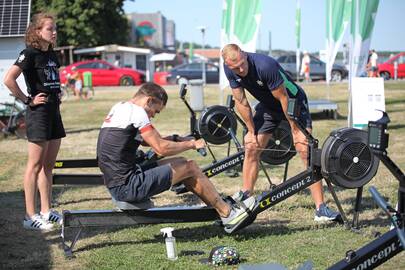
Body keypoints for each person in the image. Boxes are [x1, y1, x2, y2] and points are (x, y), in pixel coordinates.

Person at [96, 82, 256, 232]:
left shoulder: (121, 107)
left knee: (181, 163)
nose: (153, 116)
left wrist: (177, 139)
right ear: (149, 101)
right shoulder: (138, 112)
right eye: (155, 111)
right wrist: (192, 145)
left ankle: (220, 208)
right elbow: (161, 148)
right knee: (190, 167)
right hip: (127, 187)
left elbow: (146, 141)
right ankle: (228, 213)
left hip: (118, 182)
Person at [222, 44, 340, 222]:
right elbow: (241, 101)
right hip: (269, 107)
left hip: (293, 102)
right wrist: (251, 132)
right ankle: (246, 197)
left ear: (244, 55)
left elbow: (284, 98)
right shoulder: (229, 68)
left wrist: (294, 129)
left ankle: (321, 209)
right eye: (235, 68)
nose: (240, 69)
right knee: (251, 148)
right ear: (227, 64)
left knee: (305, 151)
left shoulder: (264, 65)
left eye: (242, 64)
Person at [3, 13, 66, 230]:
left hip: (53, 112)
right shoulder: (28, 54)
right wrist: (27, 99)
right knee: (34, 166)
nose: (54, 32)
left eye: (54, 28)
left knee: (48, 166)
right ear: (38, 32)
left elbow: (52, 80)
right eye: (50, 28)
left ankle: (46, 211)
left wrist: (59, 92)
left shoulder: (51, 54)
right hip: (38, 114)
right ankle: (30, 216)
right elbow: (8, 79)